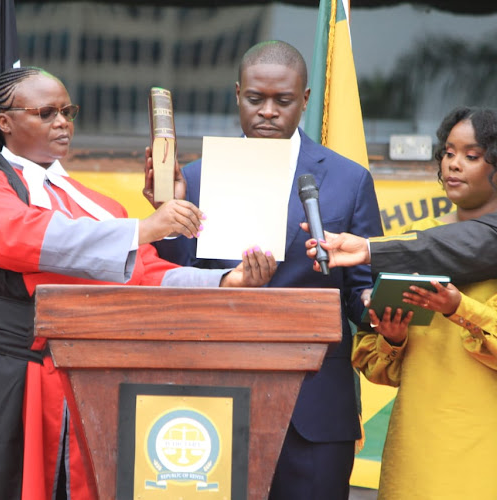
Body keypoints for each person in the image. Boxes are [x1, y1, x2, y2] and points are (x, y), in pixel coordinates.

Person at [0, 66, 277, 500]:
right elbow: (23, 237)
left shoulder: (97, 204)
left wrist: (226, 280)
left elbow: (145, 274)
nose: (62, 123)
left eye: (67, 112)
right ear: (5, 122)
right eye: (46, 113)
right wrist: (143, 229)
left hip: (74, 373)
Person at [143, 40, 383, 499]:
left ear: (306, 100)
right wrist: (165, 216)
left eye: (283, 100)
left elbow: (359, 292)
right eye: (256, 99)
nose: (268, 111)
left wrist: (374, 306)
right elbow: (171, 285)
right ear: (238, 95)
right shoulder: (193, 177)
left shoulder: (349, 180)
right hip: (213, 394)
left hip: (313, 406)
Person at [305, 117, 497, 500]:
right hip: (420, 444)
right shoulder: (415, 237)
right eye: (448, 153)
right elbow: (374, 362)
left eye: (471, 155)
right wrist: (392, 338)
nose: (453, 164)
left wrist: (457, 307)